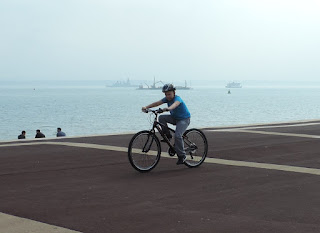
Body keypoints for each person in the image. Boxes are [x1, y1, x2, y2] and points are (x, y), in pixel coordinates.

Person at [142, 84, 191, 165]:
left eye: (169, 94)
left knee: (178, 136)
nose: (167, 96)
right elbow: (157, 103)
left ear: (174, 92)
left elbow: (175, 105)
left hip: (184, 119)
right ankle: (168, 136)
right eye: (166, 94)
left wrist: (168, 108)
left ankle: (182, 156)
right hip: (174, 118)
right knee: (161, 118)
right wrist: (146, 107)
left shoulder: (178, 99)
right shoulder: (167, 99)